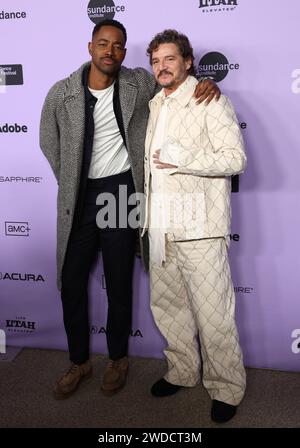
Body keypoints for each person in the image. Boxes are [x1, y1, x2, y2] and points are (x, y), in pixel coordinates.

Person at [39, 19, 220, 400]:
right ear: (91, 47)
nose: (110, 51)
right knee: (71, 281)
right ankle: (79, 362)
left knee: (119, 279)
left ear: (124, 51)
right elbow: (47, 140)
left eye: (118, 45)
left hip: (121, 192)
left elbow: (176, 81)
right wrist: (70, 178)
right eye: (103, 44)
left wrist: (204, 79)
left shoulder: (138, 82)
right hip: (79, 197)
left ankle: (118, 359)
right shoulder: (62, 93)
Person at [143, 29, 247, 423]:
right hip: (159, 226)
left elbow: (235, 159)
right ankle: (183, 371)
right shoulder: (155, 103)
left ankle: (226, 386)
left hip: (201, 227)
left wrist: (180, 156)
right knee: (169, 307)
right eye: (155, 61)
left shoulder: (211, 100)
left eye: (169, 59)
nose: (161, 67)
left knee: (213, 313)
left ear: (188, 62)